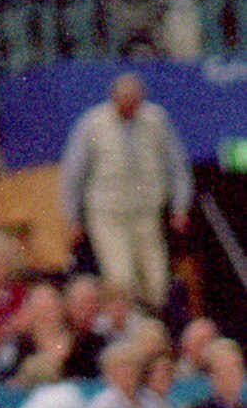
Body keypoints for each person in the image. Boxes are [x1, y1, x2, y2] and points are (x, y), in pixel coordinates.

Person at [57, 66, 191, 313]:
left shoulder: (156, 120)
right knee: (121, 278)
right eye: (125, 101)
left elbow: (177, 166)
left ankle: (156, 328)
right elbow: (73, 174)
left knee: (157, 279)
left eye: (135, 101)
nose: (130, 107)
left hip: (146, 212)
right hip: (108, 215)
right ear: (114, 98)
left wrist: (180, 205)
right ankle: (129, 330)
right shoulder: (93, 124)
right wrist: (72, 217)